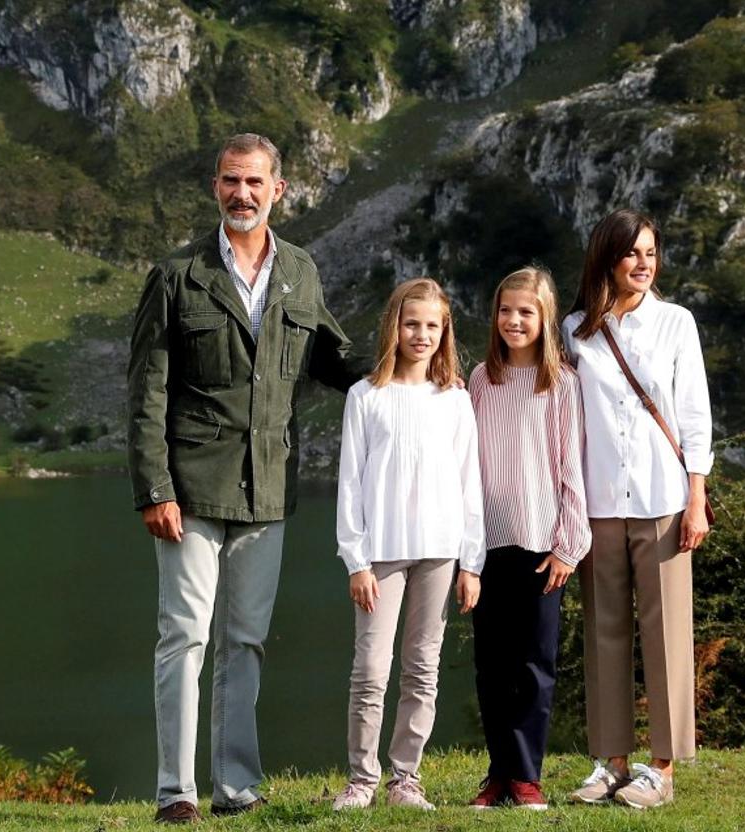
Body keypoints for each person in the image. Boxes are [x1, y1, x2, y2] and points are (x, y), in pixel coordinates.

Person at [127, 133, 361, 824]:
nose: (243, 194)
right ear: (215, 187)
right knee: (185, 635)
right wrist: (154, 487)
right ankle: (176, 791)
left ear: (278, 189)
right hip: (191, 484)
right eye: (231, 181)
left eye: (255, 183)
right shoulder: (177, 275)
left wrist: (409, 377)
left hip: (268, 486)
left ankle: (235, 788)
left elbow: (333, 358)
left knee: (246, 640)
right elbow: (145, 392)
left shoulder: (300, 272)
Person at [561, 209, 713, 809]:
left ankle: (662, 770)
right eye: (632, 253)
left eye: (651, 252)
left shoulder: (676, 323)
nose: (644, 263)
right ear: (607, 259)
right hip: (598, 502)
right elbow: (566, 420)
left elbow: (695, 416)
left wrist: (697, 498)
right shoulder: (575, 329)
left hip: (663, 502)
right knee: (604, 633)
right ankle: (611, 764)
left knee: (666, 634)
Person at [332, 277, 485, 812]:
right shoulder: (365, 397)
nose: (421, 334)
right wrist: (356, 559)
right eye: (411, 323)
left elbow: (471, 486)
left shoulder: (455, 400)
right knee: (371, 668)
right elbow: (350, 483)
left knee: (423, 667)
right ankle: (360, 779)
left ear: (445, 333)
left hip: (441, 552)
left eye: (432, 326)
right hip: (381, 554)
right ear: (393, 327)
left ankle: (405, 778)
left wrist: (472, 562)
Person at [466, 266, 591, 811]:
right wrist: (462, 546)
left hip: (543, 541)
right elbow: (464, 465)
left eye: (526, 312)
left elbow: (572, 467)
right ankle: (497, 774)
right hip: (487, 541)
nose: (514, 321)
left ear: (545, 319)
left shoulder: (562, 382)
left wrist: (569, 542)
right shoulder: (479, 379)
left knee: (534, 663)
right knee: (492, 662)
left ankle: (526, 776)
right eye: (506, 310)